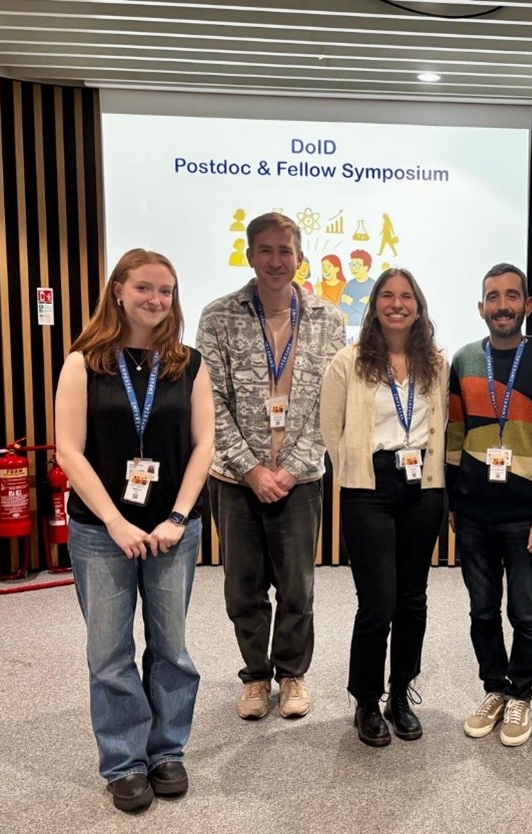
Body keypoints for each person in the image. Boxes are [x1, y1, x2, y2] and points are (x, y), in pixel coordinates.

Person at [55, 249, 215, 813]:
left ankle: (167, 750)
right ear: (118, 291)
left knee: (171, 648)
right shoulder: (83, 363)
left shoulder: (189, 364)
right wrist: (116, 521)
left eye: (166, 290)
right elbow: (69, 451)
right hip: (101, 532)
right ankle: (124, 761)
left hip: (174, 530)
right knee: (109, 652)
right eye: (144, 287)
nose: (156, 299)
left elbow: (204, 445)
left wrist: (178, 517)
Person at [196, 212, 345, 722]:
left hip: (300, 479)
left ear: (300, 257)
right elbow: (210, 402)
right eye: (266, 250)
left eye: (285, 250)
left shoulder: (328, 319)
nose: (276, 260)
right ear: (249, 255)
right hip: (235, 479)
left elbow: (333, 403)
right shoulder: (219, 316)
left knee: (297, 586)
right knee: (244, 587)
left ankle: (292, 673)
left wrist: (293, 467)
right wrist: (251, 470)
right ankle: (257, 676)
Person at [320, 268, 448, 747]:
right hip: (369, 486)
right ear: (374, 305)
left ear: (418, 306)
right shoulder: (348, 362)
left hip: (423, 486)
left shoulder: (435, 362)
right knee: (378, 602)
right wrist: (355, 471)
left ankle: (399, 693)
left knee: (413, 599)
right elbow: (331, 429)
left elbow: (442, 424)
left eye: (406, 296)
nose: (397, 304)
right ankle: (367, 700)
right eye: (388, 296)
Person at [448, 263, 532, 748]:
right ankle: (494, 689)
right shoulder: (464, 360)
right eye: (493, 297)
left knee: (526, 614)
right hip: (474, 513)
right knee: (482, 611)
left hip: (525, 515)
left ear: (528, 304)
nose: (503, 305)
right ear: (481, 306)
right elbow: (454, 438)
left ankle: (520, 694)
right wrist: (454, 503)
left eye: (512, 296)